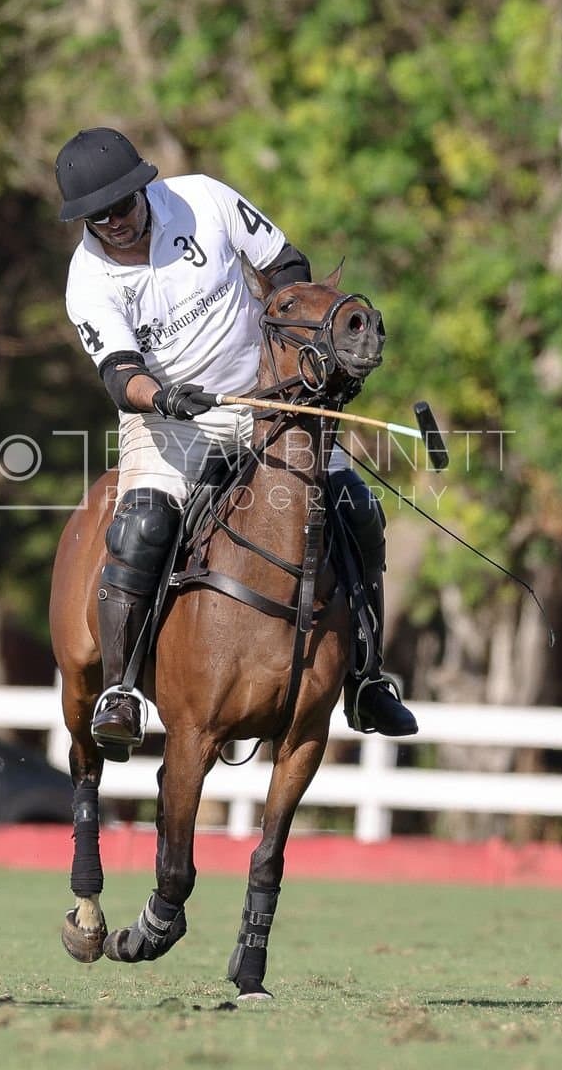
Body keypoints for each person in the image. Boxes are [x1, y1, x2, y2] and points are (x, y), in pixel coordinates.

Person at [55, 127, 417, 759]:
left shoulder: (203, 201)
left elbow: (286, 266)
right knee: (140, 528)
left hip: (266, 398)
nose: (113, 221)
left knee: (358, 508)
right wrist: (163, 397)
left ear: (144, 187)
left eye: (121, 204)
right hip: (171, 420)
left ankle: (364, 676)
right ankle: (120, 691)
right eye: (96, 214)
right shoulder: (88, 280)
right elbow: (120, 374)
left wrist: (297, 357)